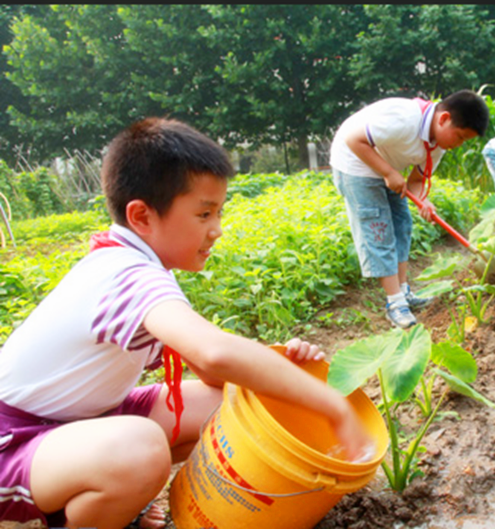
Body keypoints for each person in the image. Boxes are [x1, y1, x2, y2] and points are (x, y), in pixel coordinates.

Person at [0, 118, 371, 529]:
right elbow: (214, 351)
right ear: (141, 215)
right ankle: (82, 513)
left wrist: (284, 366)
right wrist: (329, 405)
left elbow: (215, 374)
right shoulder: (124, 274)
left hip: (84, 420)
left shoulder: (142, 264)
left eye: (219, 212)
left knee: (229, 412)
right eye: (204, 213)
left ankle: (112, 498)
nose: (217, 229)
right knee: (139, 452)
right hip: (16, 439)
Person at [330, 90, 490, 329]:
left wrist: (423, 200)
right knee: (379, 229)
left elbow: (416, 180)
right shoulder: (403, 119)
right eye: (459, 137)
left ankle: (404, 292)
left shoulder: (438, 145)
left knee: (402, 223)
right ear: (444, 118)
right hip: (356, 162)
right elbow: (353, 139)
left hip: (385, 165)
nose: (458, 145)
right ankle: (394, 303)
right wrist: (388, 173)